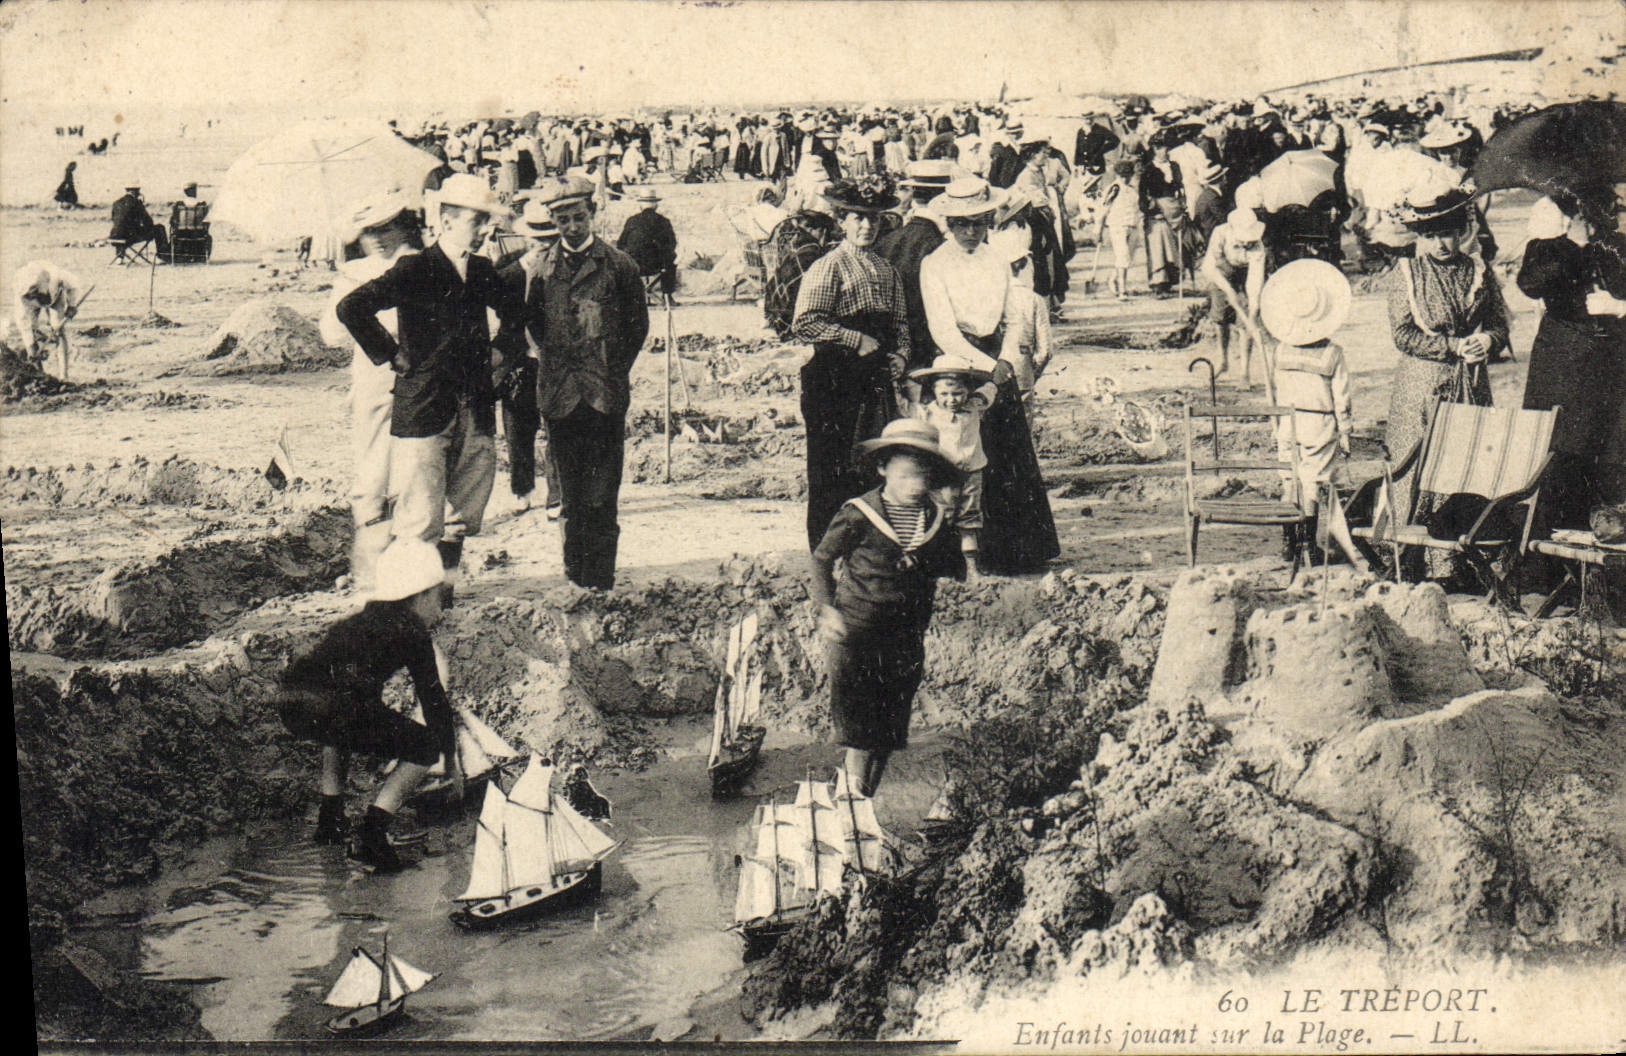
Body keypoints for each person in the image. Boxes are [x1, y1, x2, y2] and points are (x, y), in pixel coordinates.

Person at [337, 173, 527, 606]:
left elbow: (516, 316)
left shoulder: (481, 271)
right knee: (420, 515)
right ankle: (412, 603)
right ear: (445, 221)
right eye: (476, 222)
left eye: (487, 222)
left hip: (475, 407)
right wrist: (392, 355)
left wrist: (501, 356)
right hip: (424, 409)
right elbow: (352, 307)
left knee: (463, 511)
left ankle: (445, 595)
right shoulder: (415, 269)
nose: (485, 231)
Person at [275, 539, 457, 872]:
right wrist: (451, 762)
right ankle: (373, 834)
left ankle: (329, 822)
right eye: (439, 599)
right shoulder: (413, 629)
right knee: (425, 744)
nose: (441, 610)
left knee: (339, 726)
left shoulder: (362, 619)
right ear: (421, 595)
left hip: (291, 698)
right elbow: (434, 703)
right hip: (333, 704)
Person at [811, 419, 966, 798]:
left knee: (889, 730)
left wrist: (946, 533)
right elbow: (821, 558)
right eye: (906, 476)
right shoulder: (860, 513)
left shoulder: (934, 517)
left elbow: (951, 567)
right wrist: (826, 608)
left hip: (906, 633)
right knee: (859, 730)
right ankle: (848, 807)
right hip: (857, 629)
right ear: (883, 469)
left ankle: (860, 798)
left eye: (923, 477)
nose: (915, 486)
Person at [920, 177, 1060, 574]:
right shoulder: (934, 263)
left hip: (998, 362)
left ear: (987, 222)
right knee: (961, 456)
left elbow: (1014, 315)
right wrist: (980, 366)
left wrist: (1005, 359)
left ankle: (1012, 552)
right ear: (948, 223)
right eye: (961, 224)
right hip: (958, 364)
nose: (970, 231)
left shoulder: (996, 258)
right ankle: (959, 558)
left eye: (978, 223)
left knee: (1006, 456)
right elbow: (941, 328)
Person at [1384, 177, 1510, 583]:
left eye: (1449, 235)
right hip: (1423, 383)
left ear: (1462, 233)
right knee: (1415, 465)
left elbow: (1498, 322)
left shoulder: (1476, 270)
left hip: (1471, 382)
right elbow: (1403, 335)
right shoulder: (1408, 274)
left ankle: (1454, 560)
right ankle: (1405, 558)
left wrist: (1486, 341)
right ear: (1420, 236)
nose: (1441, 245)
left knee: (1464, 462)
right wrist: (1452, 346)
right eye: (1432, 236)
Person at [529, 175, 650, 590]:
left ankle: (602, 579)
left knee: (602, 493)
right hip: (560, 396)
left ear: (593, 214)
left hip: (604, 395)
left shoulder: (618, 265)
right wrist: (556, 366)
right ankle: (575, 578)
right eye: (562, 220)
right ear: (553, 222)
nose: (572, 227)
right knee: (571, 496)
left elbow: (637, 328)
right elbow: (532, 326)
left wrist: (611, 369)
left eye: (578, 217)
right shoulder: (540, 268)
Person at [791, 176, 911, 549]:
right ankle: (828, 548)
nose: (866, 226)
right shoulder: (830, 266)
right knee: (832, 464)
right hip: (832, 379)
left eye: (873, 219)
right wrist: (854, 338)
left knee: (872, 459)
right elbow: (805, 322)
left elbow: (900, 323)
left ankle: (868, 546)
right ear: (842, 221)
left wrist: (900, 355)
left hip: (872, 379)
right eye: (857, 218)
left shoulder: (886, 269)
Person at [319, 190, 424, 589]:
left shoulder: (421, 266)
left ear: (404, 226)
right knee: (373, 468)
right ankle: (370, 567)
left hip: (421, 375)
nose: (379, 238)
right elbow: (331, 332)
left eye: (388, 227)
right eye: (370, 231)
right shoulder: (353, 274)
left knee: (416, 469)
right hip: (375, 376)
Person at [1517, 192, 1626, 528]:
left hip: (1612, 365)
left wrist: (1619, 306)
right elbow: (1530, 283)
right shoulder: (1548, 247)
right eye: (1587, 214)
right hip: (1562, 367)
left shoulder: (1619, 245)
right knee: (1559, 454)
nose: (1595, 222)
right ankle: (1548, 554)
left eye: (1604, 213)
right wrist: (1575, 246)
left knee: (1610, 453)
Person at [1260, 259, 1369, 574]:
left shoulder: (1280, 351)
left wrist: (1276, 422)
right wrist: (1346, 429)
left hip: (1287, 421)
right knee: (1312, 482)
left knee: (1289, 479)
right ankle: (1308, 541)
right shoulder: (1332, 354)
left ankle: (1288, 541)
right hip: (1319, 423)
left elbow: (1276, 389)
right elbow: (1342, 397)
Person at [498, 199, 562, 520]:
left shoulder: (567, 270)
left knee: (558, 430)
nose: (542, 247)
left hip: (555, 363)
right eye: (536, 240)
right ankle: (521, 490)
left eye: (548, 240)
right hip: (518, 362)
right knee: (516, 429)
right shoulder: (510, 268)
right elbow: (490, 303)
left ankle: (557, 497)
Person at [907, 357, 997, 571]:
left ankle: (972, 569)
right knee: (942, 515)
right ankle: (939, 566)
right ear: (935, 393)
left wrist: (994, 380)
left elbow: (991, 389)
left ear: (967, 391)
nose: (951, 400)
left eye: (957, 393)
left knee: (970, 517)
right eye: (944, 394)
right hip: (943, 474)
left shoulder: (975, 406)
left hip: (972, 472)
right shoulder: (928, 412)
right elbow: (907, 402)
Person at [873, 159, 953, 371]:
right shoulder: (940, 247)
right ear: (944, 200)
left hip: (890, 345)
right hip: (928, 346)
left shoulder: (886, 240)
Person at [1200, 207, 1269, 384]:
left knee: (1245, 323)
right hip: (1220, 273)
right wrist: (1229, 291)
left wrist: (1253, 312)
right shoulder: (1220, 233)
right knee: (1220, 318)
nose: (1247, 243)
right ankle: (1222, 361)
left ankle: (1244, 372)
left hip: (1244, 276)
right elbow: (1210, 269)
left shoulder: (1258, 248)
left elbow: (1255, 282)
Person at [10, 259, 84, 380]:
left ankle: (63, 375)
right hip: (31, 305)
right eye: (30, 294)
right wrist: (31, 347)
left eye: (35, 291)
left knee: (58, 330)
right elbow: (24, 326)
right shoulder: (22, 299)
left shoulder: (57, 276)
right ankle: (40, 375)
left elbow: (74, 286)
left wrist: (71, 305)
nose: (33, 294)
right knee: (32, 337)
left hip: (56, 297)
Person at [616, 187, 678, 298]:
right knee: (671, 261)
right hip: (657, 265)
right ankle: (667, 296)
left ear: (640, 205)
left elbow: (621, 244)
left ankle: (626, 298)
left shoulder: (632, 221)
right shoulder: (664, 221)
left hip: (634, 265)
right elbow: (672, 244)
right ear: (656, 205)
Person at [1096, 159, 1142, 300]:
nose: (1125, 178)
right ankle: (1122, 290)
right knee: (1122, 256)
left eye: (1128, 175)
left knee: (1128, 258)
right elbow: (1102, 209)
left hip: (1132, 226)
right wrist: (1098, 230)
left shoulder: (1133, 190)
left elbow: (1137, 208)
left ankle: (1113, 278)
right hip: (1118, 226)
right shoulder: (1114, 188)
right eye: (1122, 175)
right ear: (1117, 175)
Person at [109, 186, 170, 260]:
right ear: (135, 192)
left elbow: (115, 220)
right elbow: (148, 222)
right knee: (159, 228)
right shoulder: (136, 203)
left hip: (114, 236)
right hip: (129, 237)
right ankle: (163, 256)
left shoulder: (116, 203)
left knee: (121, 228)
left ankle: (120, 256)